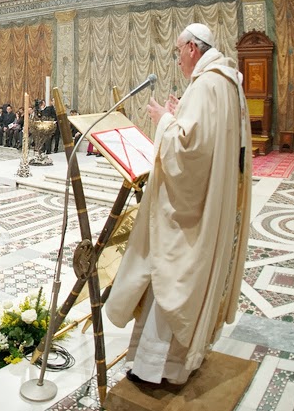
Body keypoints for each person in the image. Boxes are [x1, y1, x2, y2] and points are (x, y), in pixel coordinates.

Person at [105, 23, 251, 385]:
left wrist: (165, 120)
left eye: (177, 51)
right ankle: (180, 361)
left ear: (192, 49)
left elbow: (187, 151)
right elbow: (206, 138)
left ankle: (155, 368)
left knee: (170, 275)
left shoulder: (207, 84)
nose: (177, 59)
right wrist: (181, 112)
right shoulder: (227, 82)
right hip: (212, 200)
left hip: (190, 212)